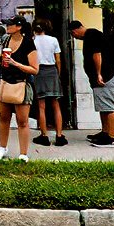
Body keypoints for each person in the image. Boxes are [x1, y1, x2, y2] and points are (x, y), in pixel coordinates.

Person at [0, 16, 39, 162]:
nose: (7, 27)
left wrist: (15, 63)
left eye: (10, 24)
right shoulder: (6, 40)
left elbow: (34, 69)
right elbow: (5, 61)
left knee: (22, 121)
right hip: (5, 82)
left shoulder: (28, 43)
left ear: (19, 27)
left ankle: (23, 153)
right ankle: (2, 147)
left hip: (21, 84)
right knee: (4, 117)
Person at [69, 20, 114, 148]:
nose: (75, 36)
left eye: (73, 34)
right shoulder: (90, 36)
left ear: (76, 30)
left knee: (109, 107)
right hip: (100, 78)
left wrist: (98, 73)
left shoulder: (92, 36)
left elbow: (97, 54)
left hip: (106, 77)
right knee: (103, 107)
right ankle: (105, 132)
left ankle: (112, 138)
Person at [31, 18, 65, 146]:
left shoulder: (32, 41)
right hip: (52, 70)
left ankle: (44, 135)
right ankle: (59, 135)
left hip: (38, 71)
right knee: (56, 104)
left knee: (41, 106)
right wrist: (58, 73)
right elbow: (58, 60)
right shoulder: (53, 40)